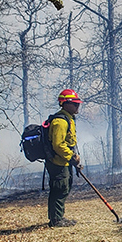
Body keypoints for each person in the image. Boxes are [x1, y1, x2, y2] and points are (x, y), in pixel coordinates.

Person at [47, 88, 82, 227]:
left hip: (64, 161)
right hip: (57, 162)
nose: (77, 106)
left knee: (64, 188)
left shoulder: (69, 119)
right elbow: (58, 144)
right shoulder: (60, 122)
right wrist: (71, 156)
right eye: (75, 103)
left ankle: (58, 217)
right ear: (65, 104)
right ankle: (56, 220)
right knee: (59, 189)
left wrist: (73, 157)